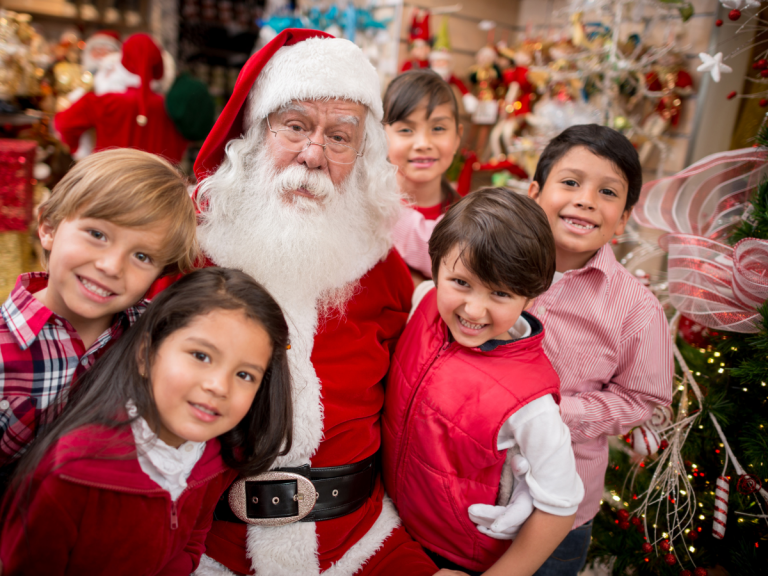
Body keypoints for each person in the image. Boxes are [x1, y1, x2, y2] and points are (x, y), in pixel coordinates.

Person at [175, 29, 457, 576]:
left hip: (362, 541)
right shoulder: (190, 248)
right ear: (256, 135)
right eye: (296, 126)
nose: (313, 155)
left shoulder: (378, 262)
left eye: (339, 137)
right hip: (210, 550)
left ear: (361, 154)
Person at [378, 124, 674, 575]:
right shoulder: (482, 256)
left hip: (550, 511)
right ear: (535, 190)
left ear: (624, 219)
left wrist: (552, 415)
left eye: (608, 192)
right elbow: (426, 242)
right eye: (571, 182)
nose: (586, 199)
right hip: (452, 494)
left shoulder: (635, 308)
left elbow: (644, 399)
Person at [0, 268, 294, 575]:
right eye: (201, 356)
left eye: (245, 375)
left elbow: (192, 543)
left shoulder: (216, 459)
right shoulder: (70, 475)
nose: (219, 386)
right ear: (145, 354)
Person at [382, 188, 584, 576]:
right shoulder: (424, 302)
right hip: (393, 526)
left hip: (459, 557)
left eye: (500, 293)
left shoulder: (530, 402)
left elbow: (559, 505)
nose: (474, 309)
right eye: (460, 282)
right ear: (436, 266)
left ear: (530, 298)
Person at [0, 148, 197, 492]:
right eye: (97, 234)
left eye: (141, 256)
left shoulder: (157, 339)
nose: (111, 266)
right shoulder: (5, 350)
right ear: (48, 226)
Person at [54, 34, 189, 163]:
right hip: (157, 182)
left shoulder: (103, 101)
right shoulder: (172, 104)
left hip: (111, 180)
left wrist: (82, 154)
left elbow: (63, 124)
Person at [383, 70, 462, 283]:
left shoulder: (469, 219)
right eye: (406, 130)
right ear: (382, 136)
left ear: (457, 137)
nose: (423, 143)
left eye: (438, 128)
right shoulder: (363, 208)